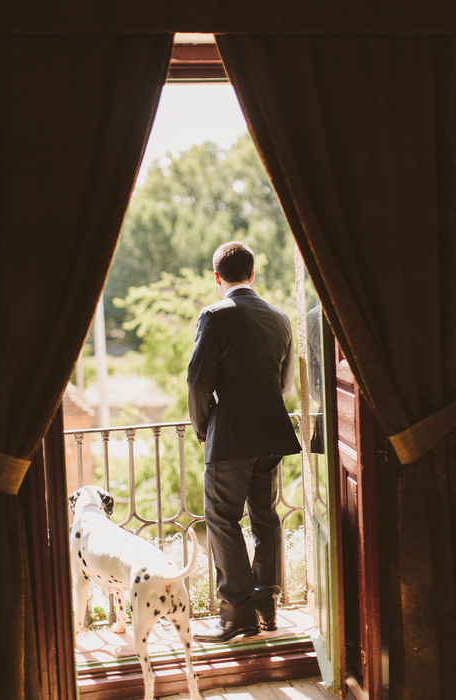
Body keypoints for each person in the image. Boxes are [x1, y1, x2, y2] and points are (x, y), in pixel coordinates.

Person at [187, 241, 301, 642]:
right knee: (265, 519)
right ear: (253, 274)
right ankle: (266, 609)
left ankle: (237, 617)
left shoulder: (214, 316)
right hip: (272, 431)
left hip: (230, 434)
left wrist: (204, 429)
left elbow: (198, 383)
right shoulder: (281, 318)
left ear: (218, 278)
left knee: (221, 519)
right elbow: (286, 385)